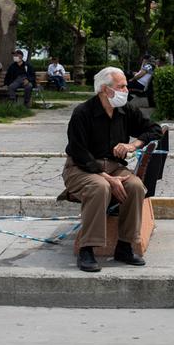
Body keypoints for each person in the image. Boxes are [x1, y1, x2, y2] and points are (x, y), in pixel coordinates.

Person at [62, 66, 162, 272]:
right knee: (100, 187)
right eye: (121, 86)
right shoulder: (83, 112)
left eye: (126, 86)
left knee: (134, 186)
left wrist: (132, 145)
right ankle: (87, 249)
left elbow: (155, 129)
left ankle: (125, 247)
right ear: (105, 90)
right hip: (82, 168)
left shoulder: (126, 110)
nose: (126, 90)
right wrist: (107, 178)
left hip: (115, 167)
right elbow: (78, 151)